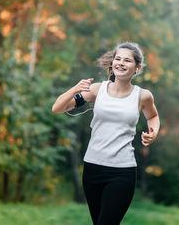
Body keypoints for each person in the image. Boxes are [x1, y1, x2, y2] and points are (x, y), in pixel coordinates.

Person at [52, 42, 160, 225]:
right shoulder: (97, 90)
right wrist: (75, 89)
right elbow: (58, 108)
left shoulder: (143, 96)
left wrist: (153, 132)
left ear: (137, 68)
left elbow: (153, 116)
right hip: (92, 168)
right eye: (117, 59)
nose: (121, 63)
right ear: (112, 64)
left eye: (127, 60)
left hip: (122, 171)